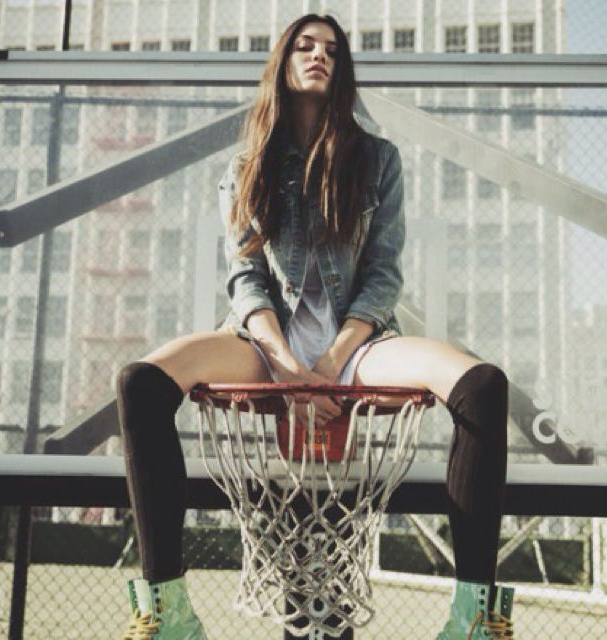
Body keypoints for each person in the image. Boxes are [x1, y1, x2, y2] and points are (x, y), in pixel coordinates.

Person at [116, 13, 514, 640]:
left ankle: (474, 618)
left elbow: (382, 275)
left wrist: (328, 365)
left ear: (342, 68)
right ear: (283, 63)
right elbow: (246, 279)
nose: (318, 55)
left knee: (483, 385)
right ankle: (168, 611)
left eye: (331, 49)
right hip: (262, 344)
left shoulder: (377, 160)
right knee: (140, 381)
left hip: (355, 346)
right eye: (304, 46)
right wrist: (286, 368)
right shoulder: (246, 167)